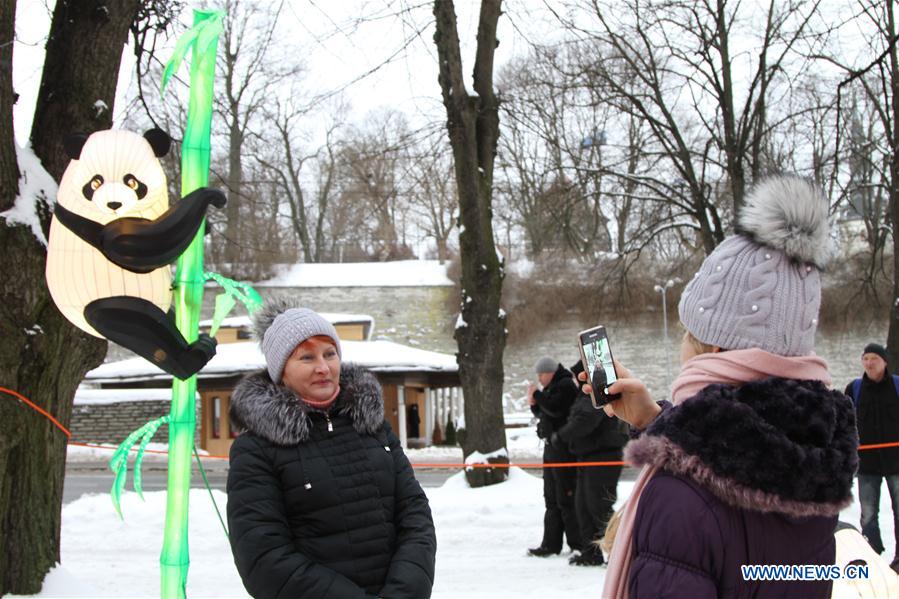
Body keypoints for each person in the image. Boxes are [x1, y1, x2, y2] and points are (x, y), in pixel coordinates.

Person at [587, 176, 857, 598]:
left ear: (711, 348)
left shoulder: (680, 496)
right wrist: (656, 422)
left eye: (686, 333)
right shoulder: (815, 457)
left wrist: (670, 441)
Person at [226, 299, 437, 599]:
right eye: (306, 358)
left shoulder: (373, 427)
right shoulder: (256, 448)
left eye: (330, 354)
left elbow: (414, 515)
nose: (323, 368)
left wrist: (406, 591)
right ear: (281, 372)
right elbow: (263, 556)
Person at [551, 360, 627, 566]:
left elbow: (584, 421)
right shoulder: (586, 394)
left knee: (599, 506)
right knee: (583, 506)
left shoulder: (597, 394)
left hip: (602, 457)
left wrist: (562, 436)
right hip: (588, 456)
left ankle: (621, 551)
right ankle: (591, 552)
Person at [846, 342, 899, 571]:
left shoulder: (897, 386)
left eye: (874, 358)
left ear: (884, 361)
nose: (869, 363)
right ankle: (874, 556)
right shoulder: (854, 388)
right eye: (865, 358)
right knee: (868, 515)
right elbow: (844, 423)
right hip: (867, 465)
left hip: (897, 462)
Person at [527, 357, 582, 557]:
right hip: (551, 448)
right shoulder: (552, 388)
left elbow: (555, 409)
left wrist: (538, 396)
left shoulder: (565, 385)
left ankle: (577, 543)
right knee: (551, 497)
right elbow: (544, 412)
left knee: (565, 497)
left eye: (541, 374)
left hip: (563, 450)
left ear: (550, 372)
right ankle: (551, 543)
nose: (540, 379)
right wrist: (534, 402)